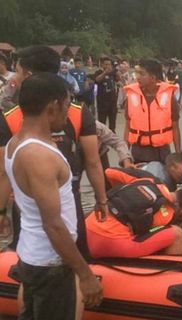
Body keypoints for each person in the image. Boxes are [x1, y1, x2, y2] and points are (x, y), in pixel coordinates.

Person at [4, 73, 102, 319]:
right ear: (53, 106)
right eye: (67, 105)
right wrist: (85, 274)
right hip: (50, 264)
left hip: (33, 254)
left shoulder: (16, 143)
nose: (69, 113)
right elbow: (54, 224)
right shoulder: (39, 155)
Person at [0, 45, 108, 257]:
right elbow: (93, 162)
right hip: (69, 200)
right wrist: (101, 199)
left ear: (29, 74)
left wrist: (1, 211)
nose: (16, 77)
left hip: (26, 207)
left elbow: (3, 172)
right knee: (76, 260)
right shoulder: (78, 112)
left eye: (19, 72)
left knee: (30, 266)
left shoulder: (10, 117)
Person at [85, 167, 182, 258]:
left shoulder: (148, 179)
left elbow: (109, 172)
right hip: (112, 243)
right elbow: (146, 232)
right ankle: (173, 272)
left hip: (86, 230)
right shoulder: (168, 213)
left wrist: (123, 196)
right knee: (177, 233)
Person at [123, 59, 181, 164]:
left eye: (142, 74)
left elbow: (175, 127)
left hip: (162, 152)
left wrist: (178, 156)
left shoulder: (169, 97)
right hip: (138, 152)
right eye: (137, 73)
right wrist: (125, 156)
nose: (137, 77)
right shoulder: (132, 96)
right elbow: (128, 127)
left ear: (153, 78)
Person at [94, 57, 119, 132]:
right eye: (106, 64)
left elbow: (119, 79)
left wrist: (116, 72)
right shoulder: (98, 72)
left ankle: (112, 139)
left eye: (109, 64)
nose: (107, 66)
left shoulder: (113, 73)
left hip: (112, 102)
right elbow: (97, 80)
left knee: (112, 123)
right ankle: (102, 140)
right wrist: (105, 73)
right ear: (102, 65)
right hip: (102, 102)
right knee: (102, 123)